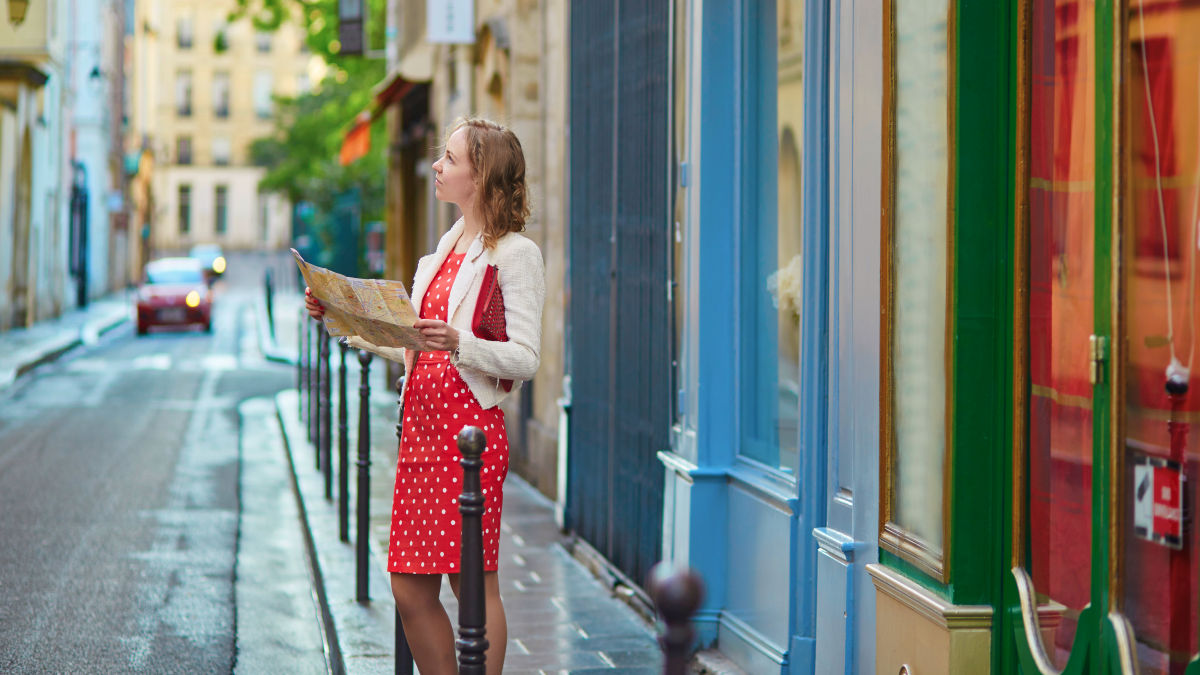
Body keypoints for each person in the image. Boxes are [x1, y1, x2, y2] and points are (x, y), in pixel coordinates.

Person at [305, 117, 545, 675]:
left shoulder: (515, 254)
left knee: (472, 585)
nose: (437, 166)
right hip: (419, 437)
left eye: (451, 159)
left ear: (482, 176)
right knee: (409, 589)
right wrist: (340, 318)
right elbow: (413, 345)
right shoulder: (443, 249)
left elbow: (526, 359)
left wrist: (461, 342)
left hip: (468, 441)